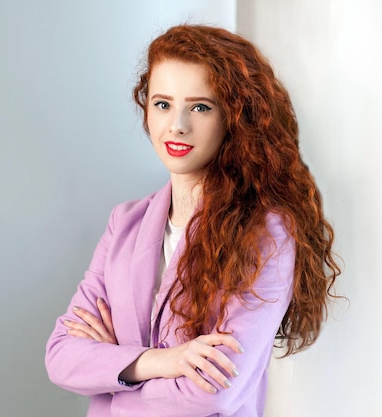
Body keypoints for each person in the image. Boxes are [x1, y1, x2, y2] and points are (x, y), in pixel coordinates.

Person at [44, 24, 341, 416]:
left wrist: (113, 371)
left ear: (234, 117)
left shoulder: (266, 233)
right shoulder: (126, 223)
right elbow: (61, 356)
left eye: (200, 106)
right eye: (162, 104)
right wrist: (162, 361)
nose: (177, 125)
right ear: (146, 109)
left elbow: (212, 393)